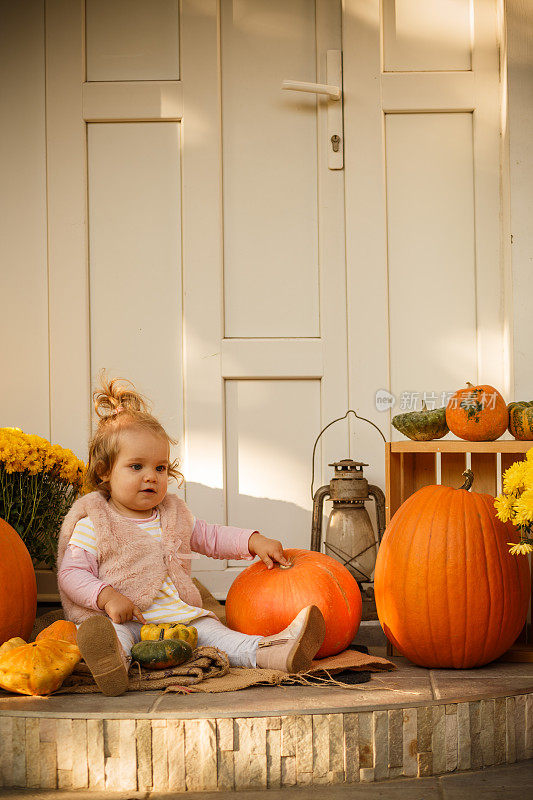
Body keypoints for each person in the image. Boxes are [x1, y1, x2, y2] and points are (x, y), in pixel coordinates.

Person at [57, 375, 325, 696]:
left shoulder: (173, 514)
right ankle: (111, 663)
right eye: (136, 467)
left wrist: (254, 541)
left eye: (160, 468)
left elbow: (210, 537)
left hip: (182, 619)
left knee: (221, 635)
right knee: (114, 638)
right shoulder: (96, 522)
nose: (150, 477)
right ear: (104, 472)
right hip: (126, 617)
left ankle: (273, 651)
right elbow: (72, 573)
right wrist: (107, 597)